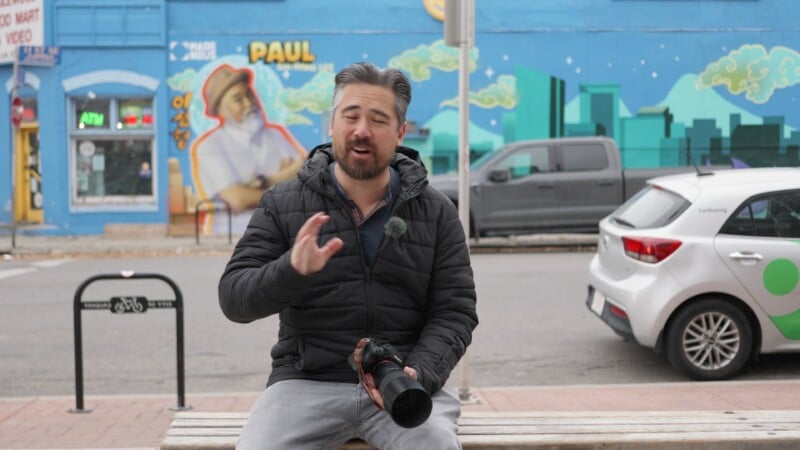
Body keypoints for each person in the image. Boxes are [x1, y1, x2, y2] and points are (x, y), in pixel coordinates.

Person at [218, 61, 478, 449]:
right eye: (350, 116)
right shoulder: (283, 202)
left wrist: (417, 373)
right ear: (332, 123)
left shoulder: (436, 211)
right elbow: (234, 298)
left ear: (400, 132)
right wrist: (290, 270)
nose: (361, 130)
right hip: (305, 384)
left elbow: (455, 311)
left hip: (403, 384)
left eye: (378, 119)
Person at [191, 64, 306, 233]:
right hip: (234, 236)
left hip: (280, 233)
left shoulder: (274, 135)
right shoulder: (210, 146)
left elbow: (304, 173)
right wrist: (282, 179)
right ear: (221, 111)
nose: (249, 103)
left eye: (249, 94)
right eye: (238, 99)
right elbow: (237, 200)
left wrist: (262, 183)